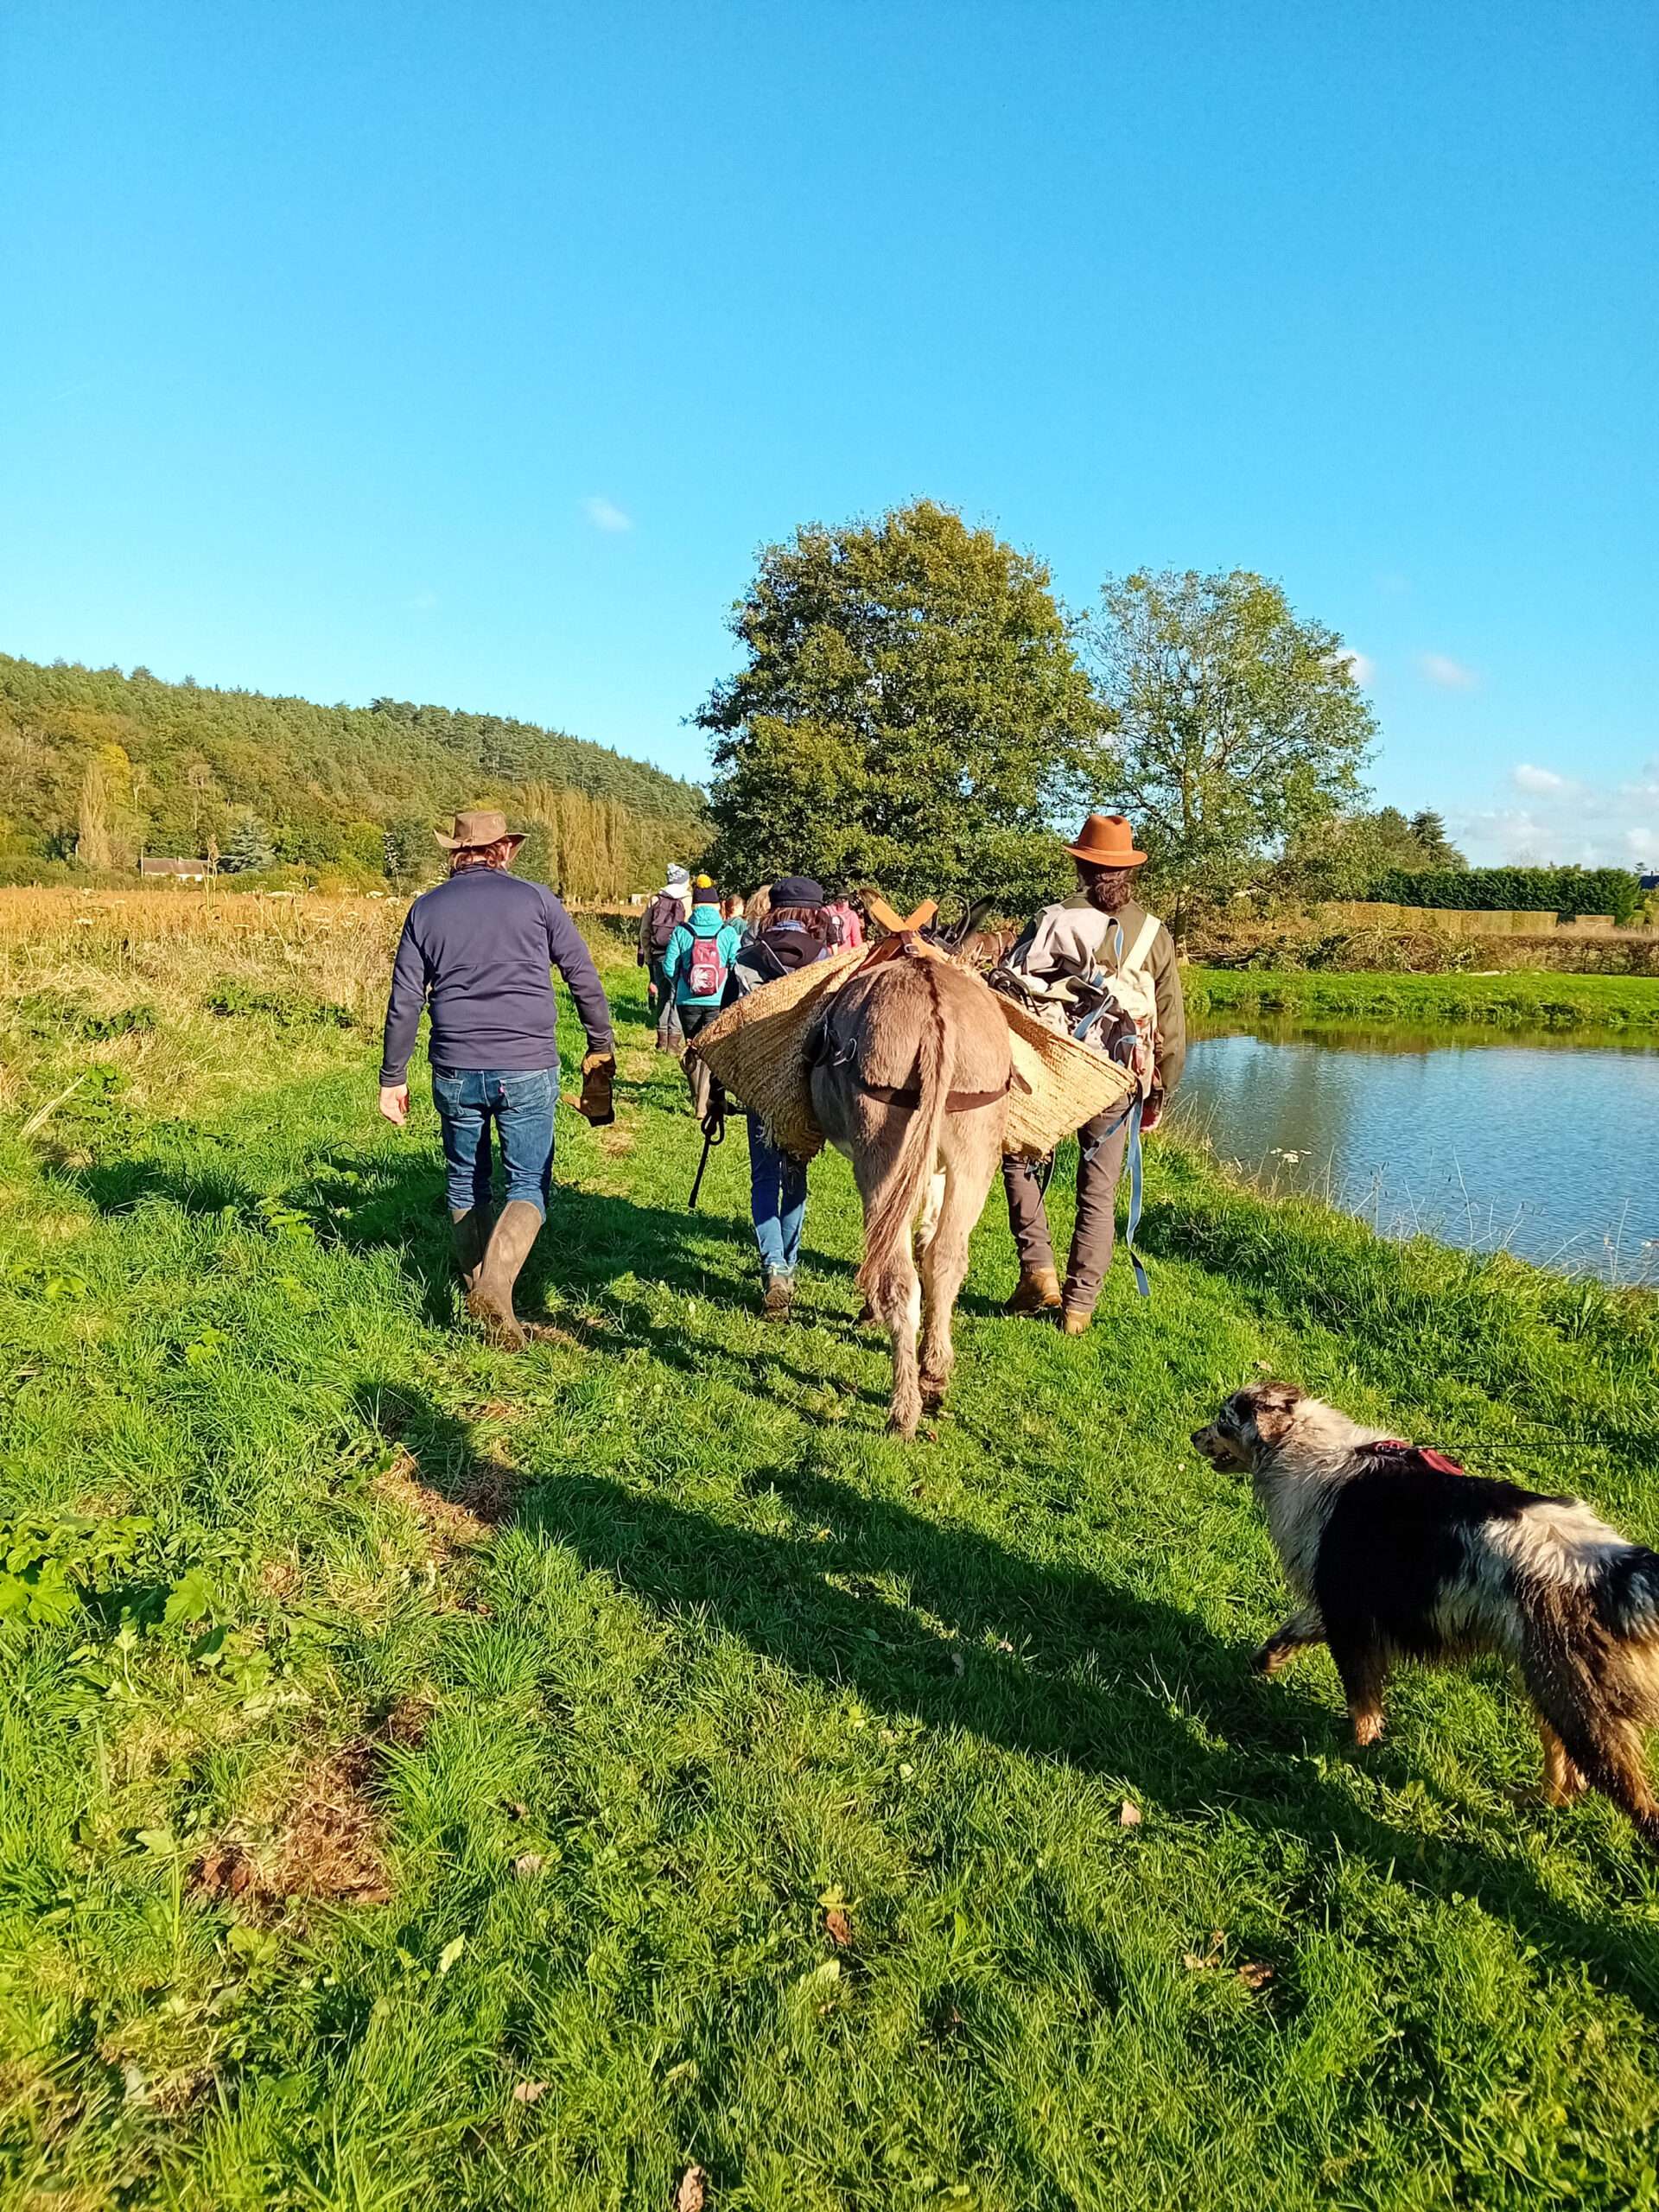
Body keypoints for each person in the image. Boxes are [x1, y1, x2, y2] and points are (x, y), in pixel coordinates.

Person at [378, 808, 616, 1349]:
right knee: (528, 1182)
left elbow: (405, 1002)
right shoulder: (535, 900)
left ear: (455, 853)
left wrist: (393, 1077)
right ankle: (496, 1286)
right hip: (527, 1064)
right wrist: (600, 1043)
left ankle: (479, 1297)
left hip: (456, 1066)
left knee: (466, 1179)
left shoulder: (425, 910)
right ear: (503, 849)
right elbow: (582, 974)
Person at [996, 813, 1185, 1334]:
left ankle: (1038, 1268)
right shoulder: (1155, 935)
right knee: (1098, 1192)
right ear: (1129, 872)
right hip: (1119, 1075)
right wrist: (1159, 1091)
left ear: (1080, 865)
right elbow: (1170, 1021)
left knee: (1017, 1157)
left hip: (1053, 1069)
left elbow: (1009, 993)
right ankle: (1078, 1308)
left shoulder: (1051, 919)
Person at [704, 876, 830, 1319]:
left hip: (762, 1089)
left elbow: (723, 1037)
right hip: (810, 1092)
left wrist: (716, 1095)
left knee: (764, 1177)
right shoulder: (830, 965)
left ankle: (774, 1264)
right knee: (796, 1173)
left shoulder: (745, 961)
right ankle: (790, 1264)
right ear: (817, 914)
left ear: (772, 911)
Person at [662, 877, 745, 1120]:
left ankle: (697, 1095)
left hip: (687, 1001)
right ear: (718, 905)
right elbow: (736, 964)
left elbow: (669, 966)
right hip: (718, 1001)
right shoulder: (727, 932)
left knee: (693, 1047)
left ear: (695, 907)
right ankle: (703, 1103)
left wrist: (680, 984)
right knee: (711, 1050)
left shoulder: (682, 931)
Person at [637, 862, 691, 1052]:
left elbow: (644, 930)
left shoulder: (654, 900)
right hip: (680, 956)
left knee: (663, 996)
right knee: (678, 997)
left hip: (659, 953)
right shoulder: (687, 900)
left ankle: (661, 1040)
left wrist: (648, 955)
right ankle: (674, 1043)